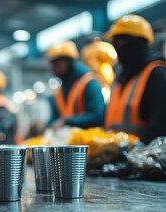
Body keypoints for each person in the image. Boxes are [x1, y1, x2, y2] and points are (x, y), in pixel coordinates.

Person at [104, 14, 166, 144]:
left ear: (140, 43)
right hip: (116, 155)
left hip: (145, 158)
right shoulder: (120, 77)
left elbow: (160, 122)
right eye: (116, 42)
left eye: (122, 41)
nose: (119, 47)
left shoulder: (156, 73)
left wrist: (139, 147)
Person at [29, 41, 105, 136]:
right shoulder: (60, 90)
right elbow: (58, 118)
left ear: (69, 62)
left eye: (57, 64)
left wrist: (67, 121)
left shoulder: (89, 84)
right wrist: (45, 125)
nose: (53, 68)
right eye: (52, 64)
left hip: (90, 144)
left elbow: (98, 117)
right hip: (69, 141)